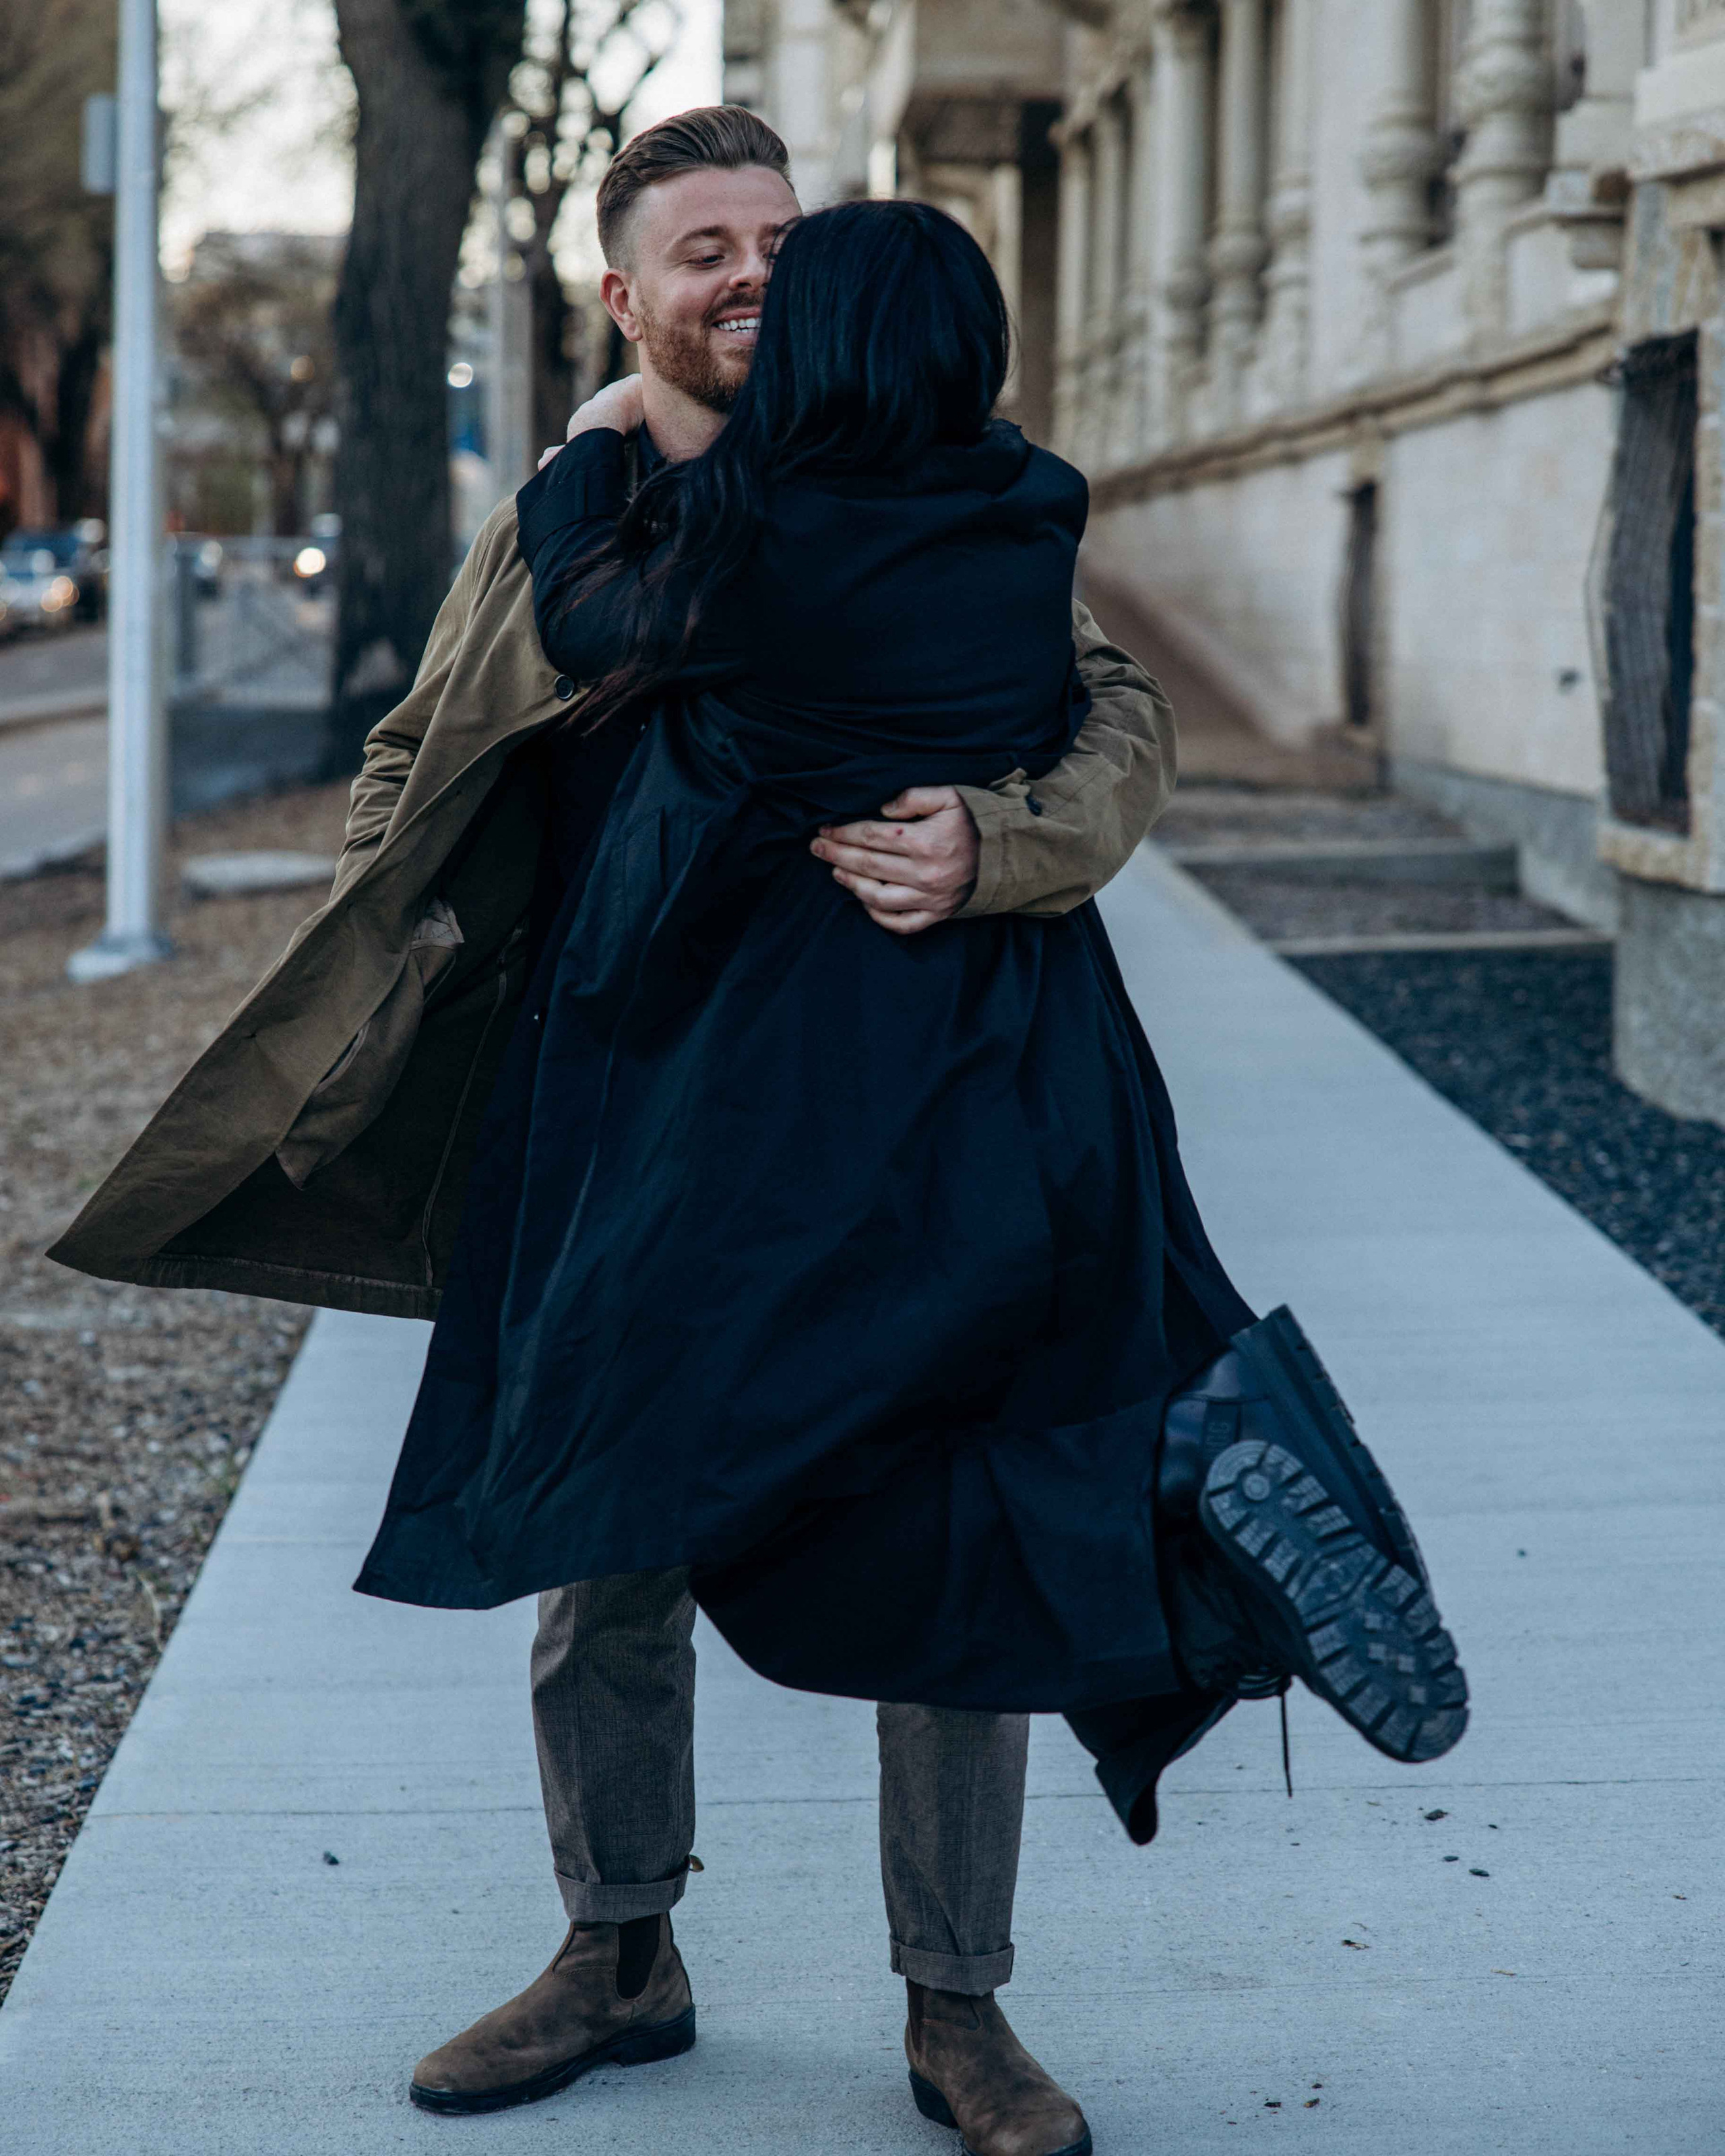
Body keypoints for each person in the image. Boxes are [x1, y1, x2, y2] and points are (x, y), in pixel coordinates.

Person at [49, 109, 1462, 2156]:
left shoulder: (913, 482)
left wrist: (1001, 841)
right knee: (601, 1515)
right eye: (702, 247)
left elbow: (1114, 716)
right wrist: (415, 949)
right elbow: (414, 751)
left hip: (899, 1084)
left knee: (946, 1494)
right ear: (623, 296)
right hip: (620, 1082)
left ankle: (958, 2006)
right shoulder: (574, 503)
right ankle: (617, 1953)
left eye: (782, 239)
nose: (752, 275)